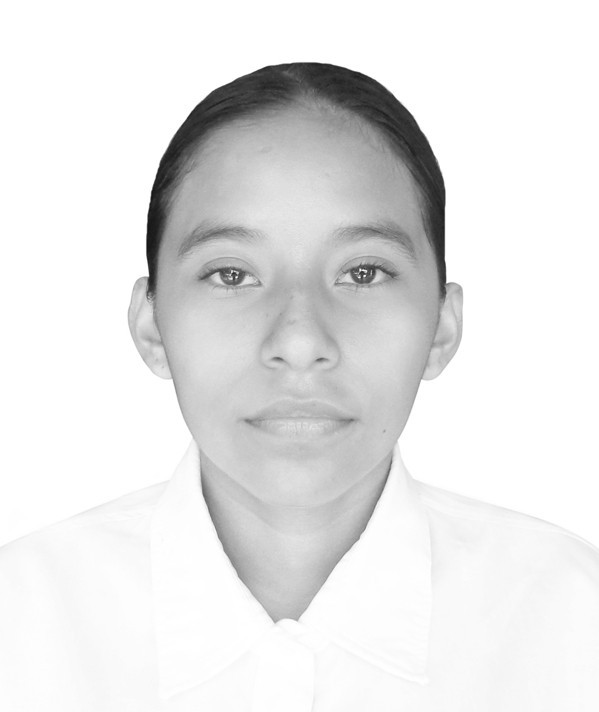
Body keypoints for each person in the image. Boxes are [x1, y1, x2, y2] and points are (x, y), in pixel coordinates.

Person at [0, 62, 597, 711]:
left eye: (363, 273)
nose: (300, 339)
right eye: (231, 275)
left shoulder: (574, 622)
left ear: (441, 327)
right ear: (151, 326)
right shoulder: (21, 624)